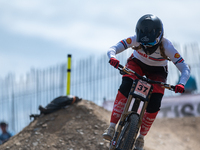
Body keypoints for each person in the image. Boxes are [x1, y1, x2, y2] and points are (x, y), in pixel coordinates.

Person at [102, 14, 190, 150]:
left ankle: (141, 137)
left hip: (158, 71)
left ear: (160, 36)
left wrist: (181, 83)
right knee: (125, 87)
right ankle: (112, 127)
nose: (146, 46)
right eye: (144, 43)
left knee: (155, 103)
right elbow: (112, 48)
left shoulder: (168, 46)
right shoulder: (135, 39)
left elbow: (184, 68)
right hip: (136, 63)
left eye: (150, 42)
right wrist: (112, 57)